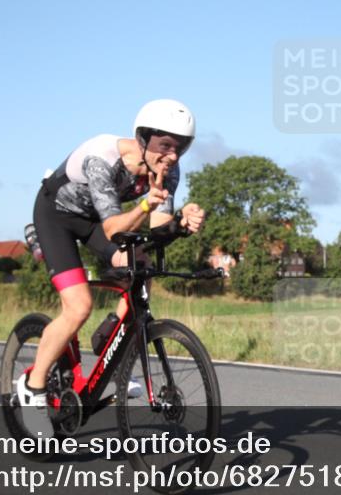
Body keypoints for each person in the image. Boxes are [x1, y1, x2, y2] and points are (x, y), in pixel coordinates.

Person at [18, 99, 206, 415]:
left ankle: (111, 350)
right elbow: (113, 226)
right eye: (166, 145)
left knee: (141, 264)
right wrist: (145, 206)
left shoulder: (166, 173)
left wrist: (181, 224)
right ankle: (32, 386)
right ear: (143, 138)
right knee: (78, 307)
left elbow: (157, 232)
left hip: (96, 221)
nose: (172, 156)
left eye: (180, 148)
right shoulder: (102, 158)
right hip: (57, 216)